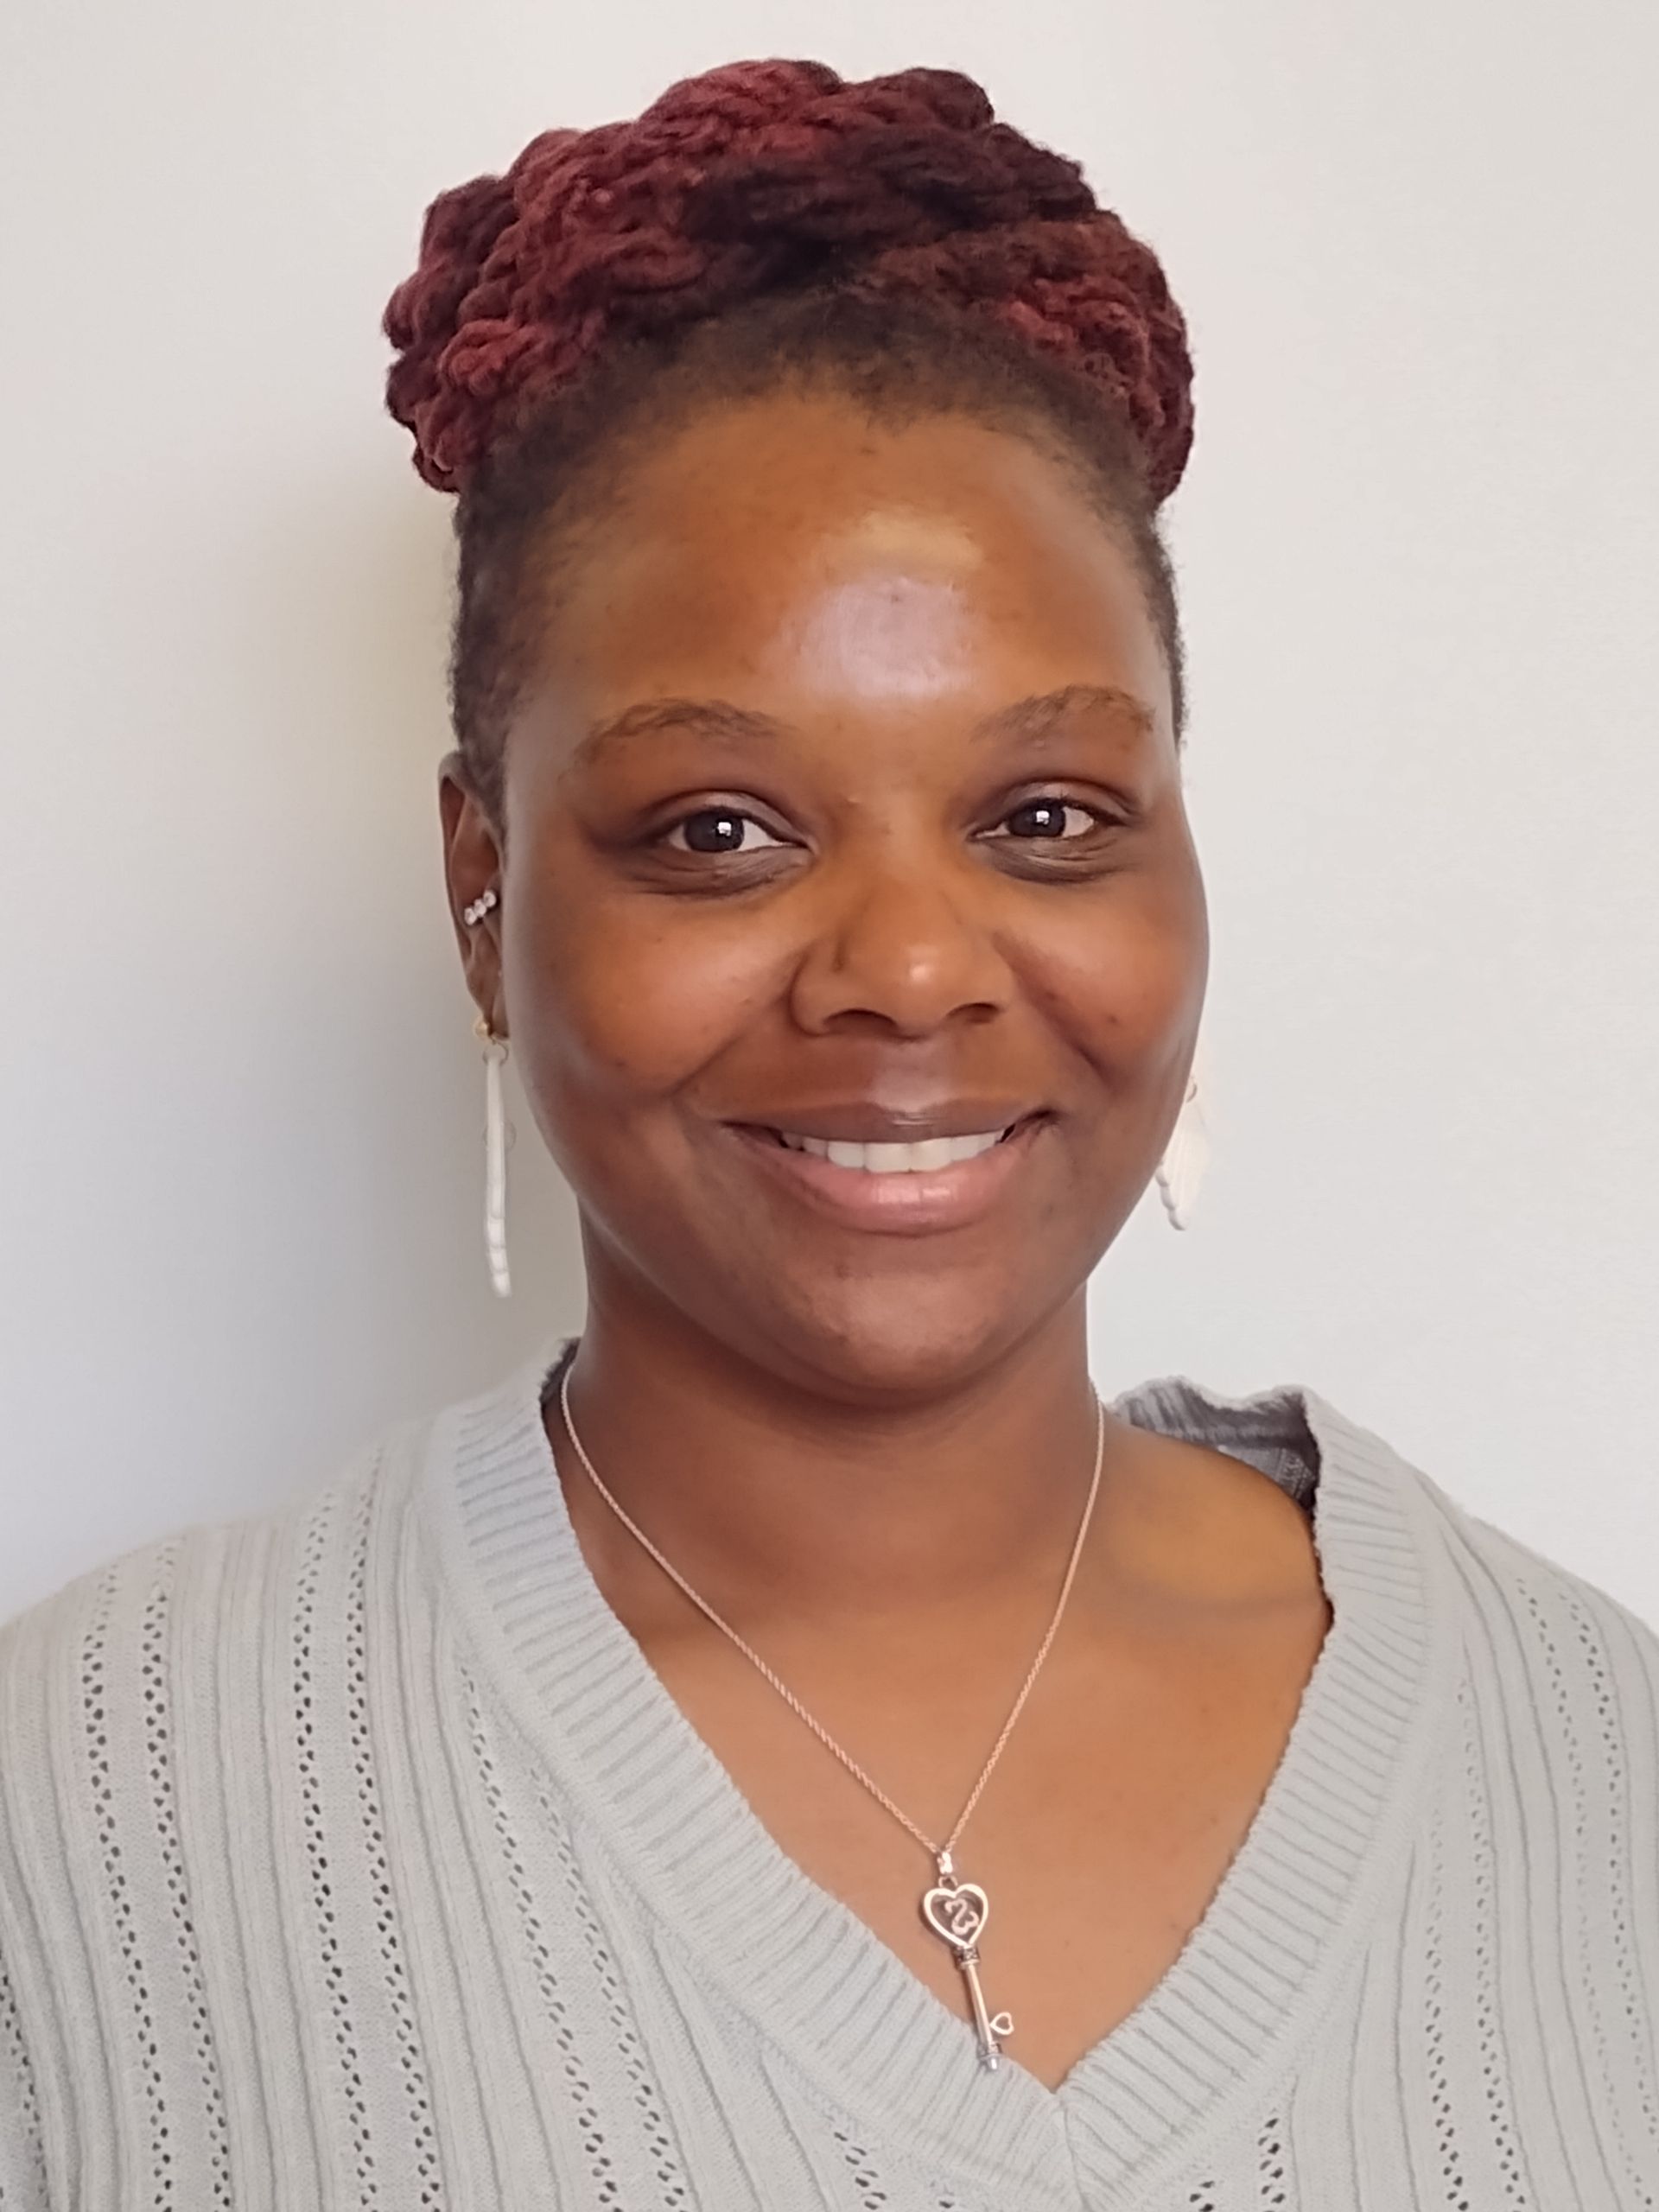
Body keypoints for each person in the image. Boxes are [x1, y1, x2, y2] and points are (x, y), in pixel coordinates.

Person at [1, 55, 1655, 2212]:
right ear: (482, 893)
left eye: (1044, 815)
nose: (909, 966)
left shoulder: (1596, 1754)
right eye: (720, 828)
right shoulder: (89, 1806)